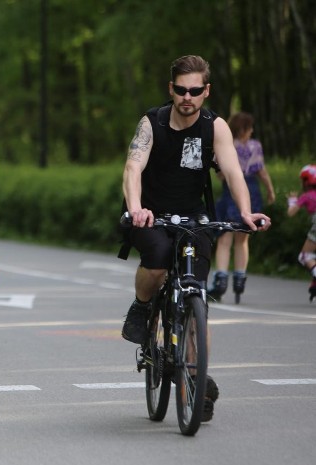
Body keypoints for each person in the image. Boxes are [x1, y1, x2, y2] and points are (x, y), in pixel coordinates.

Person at [119, 55, 271, 421]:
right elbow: (133, 167)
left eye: (196, 90)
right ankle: (142, 307)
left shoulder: (215, 126)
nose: (188, 97)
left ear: (206, 91)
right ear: (171, 89)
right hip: (151, 213)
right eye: (181, 90)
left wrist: (245, 212)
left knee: (195, 292)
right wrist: (137, 208)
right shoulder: (152, 122)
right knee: (155, 262)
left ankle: (194, 374)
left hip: (195, 218)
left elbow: (233, 172)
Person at [207, 112, 276, 302]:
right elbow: (261, 171)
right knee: (242, 240)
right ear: (244, 129)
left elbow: (222, 175)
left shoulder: (227, 145)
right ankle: (239, 280)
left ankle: (221, 279)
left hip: (231, 192)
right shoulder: (255, 146)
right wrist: (270, 190)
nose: (252, 131)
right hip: (251, 192)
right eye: (250, 127)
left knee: (224, 238)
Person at [287, 164, 316, 301]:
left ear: (306, 181)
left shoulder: (307, 196)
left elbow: (291, 212)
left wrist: (292, 200)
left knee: (305, 256)